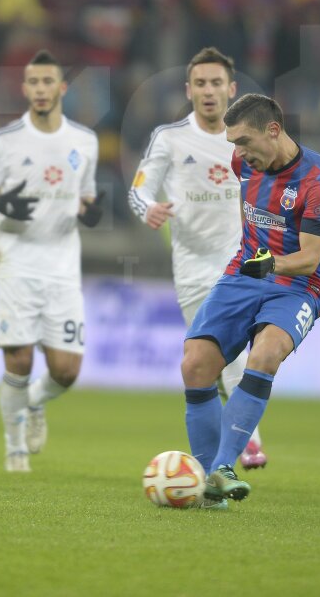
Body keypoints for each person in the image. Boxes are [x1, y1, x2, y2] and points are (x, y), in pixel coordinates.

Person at [181, 93, 320, 508]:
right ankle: (206, 487)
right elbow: (248, 212)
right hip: (247, 270)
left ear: (273, 130)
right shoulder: (242, 164)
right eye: (234, 143)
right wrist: (249, 257)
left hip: (299, 284)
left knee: (265, 353)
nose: (239, 152)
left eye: (245, 141)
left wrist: (266, 265)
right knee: (195, 362)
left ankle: (224, 466)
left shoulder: (318, 182)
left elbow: (309, 259)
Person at [0, 50, 102, 473]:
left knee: (66, 370)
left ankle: (34, 404)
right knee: (19, 358)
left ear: (61, 88)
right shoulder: (4, 141)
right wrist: (0, 201)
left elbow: (88, 196)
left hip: (62, 264)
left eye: (48, 82)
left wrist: (90, 210)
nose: (40, 89)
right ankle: (14, 447)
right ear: (25, 89)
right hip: (14, 259)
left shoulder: (85, 141)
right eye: (33, 83)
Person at [129, 47, 267, 470]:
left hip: (246, 260)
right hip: (191, 266)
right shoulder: (169, 138)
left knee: (240, 352)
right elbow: (139, 188)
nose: (209, 91)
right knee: (216, 355)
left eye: (216, 83)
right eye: (201, 84)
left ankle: (248, 442)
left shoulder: (250, 137)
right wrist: (148, 209)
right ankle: (246, 442)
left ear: (232, 88)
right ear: (189, 90)